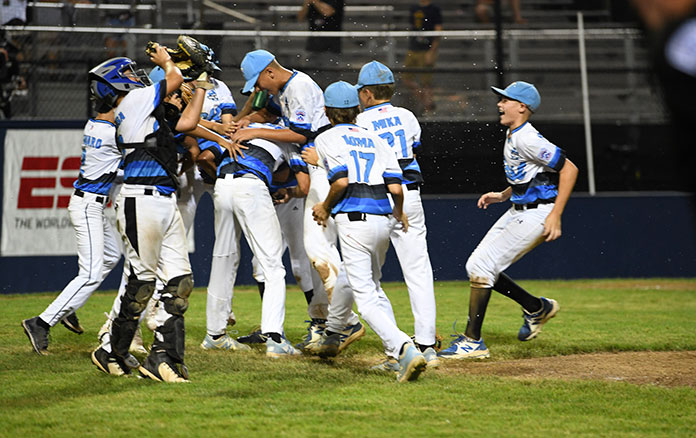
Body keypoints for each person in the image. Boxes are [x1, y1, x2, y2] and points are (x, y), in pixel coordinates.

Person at [232, 49, 365, 352]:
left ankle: (342, 320)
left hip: (322, 163)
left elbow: (298, 134)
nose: (260, 88)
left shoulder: (299, 86)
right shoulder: (284, 91)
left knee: (315, 251)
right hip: (310, 165)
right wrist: (249, 118)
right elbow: (289, 132)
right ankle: (327, 323)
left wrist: (254, 129)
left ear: (269, 71)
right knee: (311, 253)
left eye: (260, 81)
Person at [438, 81, 578, 360]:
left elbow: (570, 169)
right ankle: (536, 307)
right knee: (477, 266)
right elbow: (529, 177)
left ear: (522, 107)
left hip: (538, 213)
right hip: (519, 208)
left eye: (506, 100)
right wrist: (502, 195)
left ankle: (472, 341)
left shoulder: (528, 138)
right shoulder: (514, 134)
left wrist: (555, 214)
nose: (500, 104)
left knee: (482, 265)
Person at [301, 81, 427, 383]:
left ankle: (402, 349)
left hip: (354, 221)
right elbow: (395, 187)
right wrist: (398, 212)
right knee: (359, 279)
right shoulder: (375, 138)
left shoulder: (326, 138)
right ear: (356, 111)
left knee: (367, 295)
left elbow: (341, 182)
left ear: (328, 113)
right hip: (383, 220)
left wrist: (325, 207)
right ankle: (333, 334)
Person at [86, 49, 196, 382]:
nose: (138, 76)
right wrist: (166, 59)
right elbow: (173, 79)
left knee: (179, 283)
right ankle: (111, 351)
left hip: (163, 199)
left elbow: (188, 121)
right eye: (131, 73)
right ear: (118, 82)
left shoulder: (144, 108)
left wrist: (201, 83)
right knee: (142, 283)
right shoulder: (132, 103)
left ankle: (163, 357)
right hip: (141, 200)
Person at [353, 60, 439, 370]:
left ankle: (398, 351)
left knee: (370, 279)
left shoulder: (360, 122)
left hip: (377, 198)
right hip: (411, 195)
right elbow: (412, 151)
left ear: (366, 93)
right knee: (418, 270)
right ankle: (426, 344)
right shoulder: (407, 116)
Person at [21, 108, 122, 355]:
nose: (122, 109)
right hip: (88, 205)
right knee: (90, 274)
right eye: (118, 103)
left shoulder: (93, 124)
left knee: (112, 255)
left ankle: (67, 306)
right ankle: (40, 322)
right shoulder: (109, 132)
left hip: (91, 204)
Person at [202, 122, 304, 357]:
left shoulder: (242, 129)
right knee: (272, 265)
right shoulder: (286, 136)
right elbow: (299, 181)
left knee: (223, 259)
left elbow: (205, 157)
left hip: (222, 184)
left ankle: (215, 334)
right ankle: (275, 339)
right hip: (251, 185)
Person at [402, 0, 443, 115]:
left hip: (426, 49)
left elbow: (438, 30)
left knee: (426, 82)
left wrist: (432, 51)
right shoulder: (413, 7)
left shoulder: (434, 9)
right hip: (413, 48)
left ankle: (428, 108)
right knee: (406, 78)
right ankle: (427, 103)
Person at [297, 0, 345, 88]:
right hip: (312, 47)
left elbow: (328, 12)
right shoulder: (310, 3)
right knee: (309, 83)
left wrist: (314, 1)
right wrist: (306, 4)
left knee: (330, 82)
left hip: (331, 47)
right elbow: (300, 18)